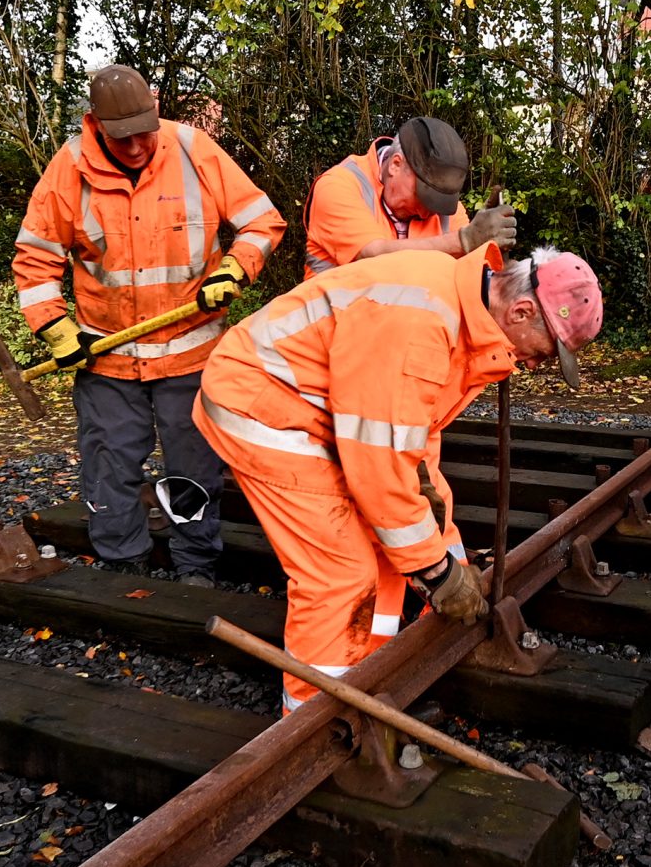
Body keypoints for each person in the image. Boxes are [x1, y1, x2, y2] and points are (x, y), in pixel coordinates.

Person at [194, 243, 602, 713]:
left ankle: (368, 673)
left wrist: (448, 557)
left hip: (328, 414)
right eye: (546, 351)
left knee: (391, 552)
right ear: (522, 310)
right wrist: (436, 571)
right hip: (265, 407)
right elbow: (379, 463)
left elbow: (412, 446)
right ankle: (315, 718)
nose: (536, 364)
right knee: (341, 573)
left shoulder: (459, 311)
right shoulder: (420, 323)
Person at [14, 64, 286, 586]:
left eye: (145, 131)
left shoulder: (195, 151)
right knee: (110, 467)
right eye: (123, 137)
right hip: (108, 359)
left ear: (157, 109)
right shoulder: (67, 171)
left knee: (193, 470)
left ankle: (196, 566)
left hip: (191, 354)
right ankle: (122, 567)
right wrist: (55, 327)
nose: (138, 146)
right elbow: (35, 258)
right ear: (95, 124)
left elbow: (261, 220)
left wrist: (235, 266)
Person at [303, 116, 517, 276]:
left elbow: (470, 276)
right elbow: (370, 257)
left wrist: (491, 254)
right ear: (396, 165)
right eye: (426, 197)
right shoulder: (339, 185)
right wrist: (465, 240)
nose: (429, 211)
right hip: (333, 331)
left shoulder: (444, 209)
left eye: (439, 201)